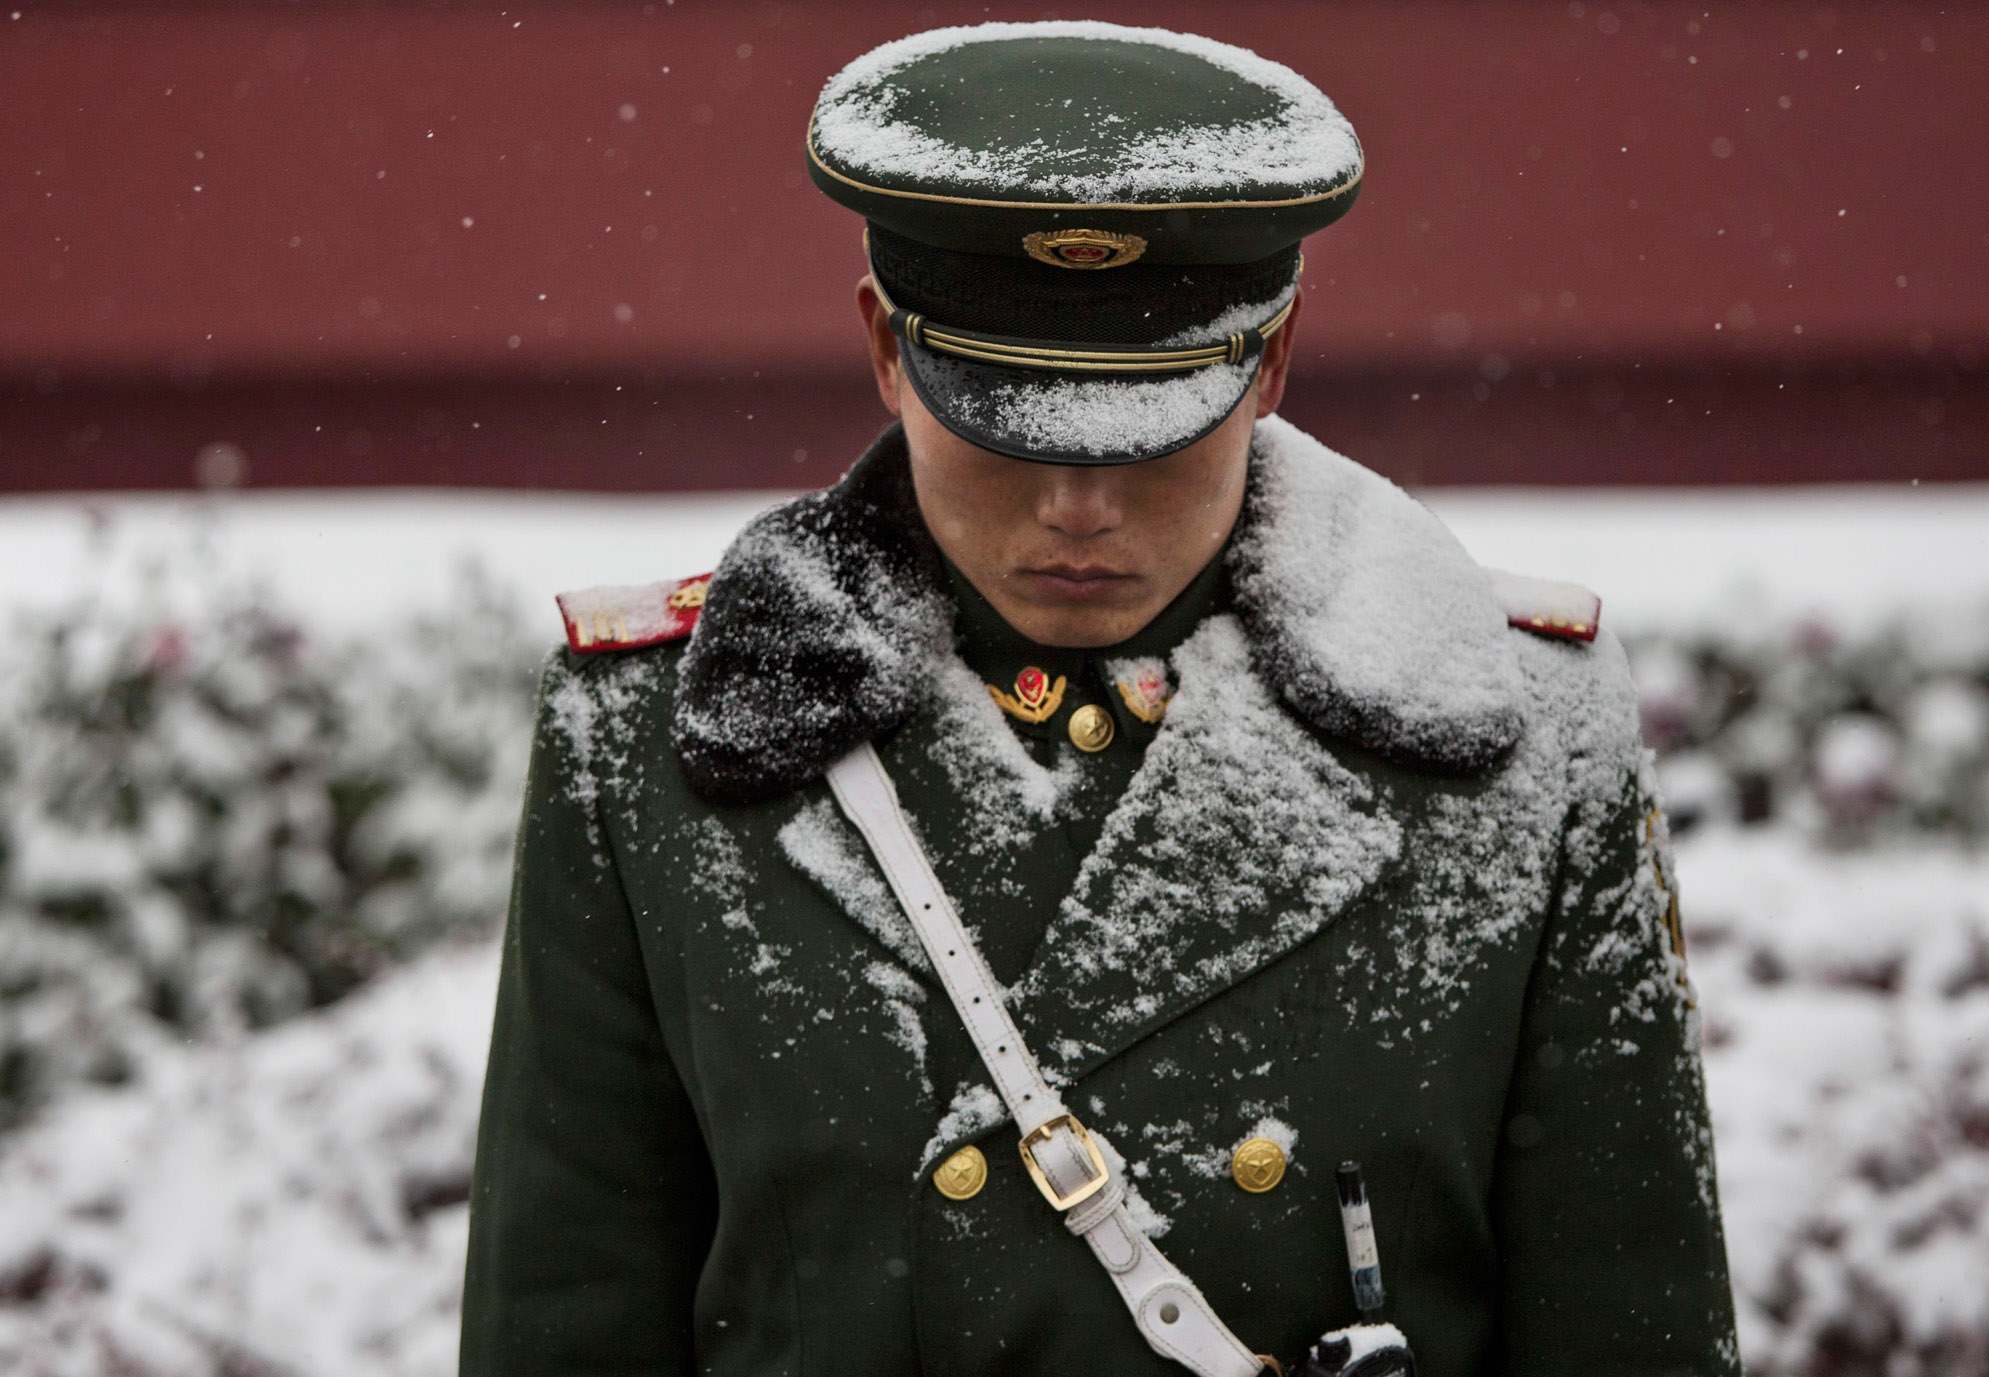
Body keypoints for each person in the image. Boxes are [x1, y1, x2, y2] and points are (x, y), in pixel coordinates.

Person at [460, 20, 1739, 1377]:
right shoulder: (653, 737)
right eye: (1003, 428)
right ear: (887, 348)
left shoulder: (1518, 733)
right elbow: (568, 1305)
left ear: (1276, 358)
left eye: (1153, 433)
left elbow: (1631, 1317)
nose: (1077, 506)